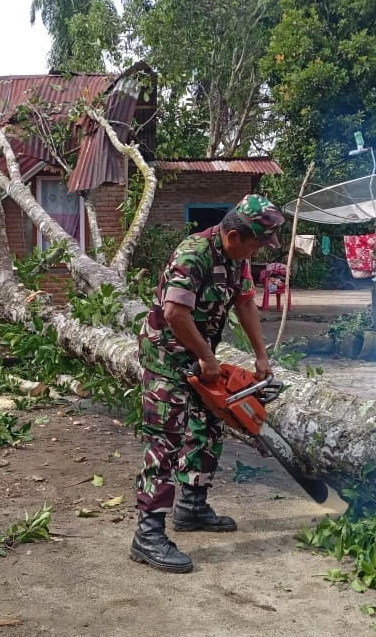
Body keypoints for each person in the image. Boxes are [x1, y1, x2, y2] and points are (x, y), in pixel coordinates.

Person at [130, 194, 284, 574]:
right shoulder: (193, 254)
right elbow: (174, 314)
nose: (260, 251)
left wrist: (261, 356)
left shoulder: (239, 259)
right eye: (257, 242)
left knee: (209, 424)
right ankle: (147, 536)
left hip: (200, 353)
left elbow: (246, 302)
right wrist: (207, 356)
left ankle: (192, 506)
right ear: (234, 235)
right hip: (167, 354)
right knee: (166, 438)